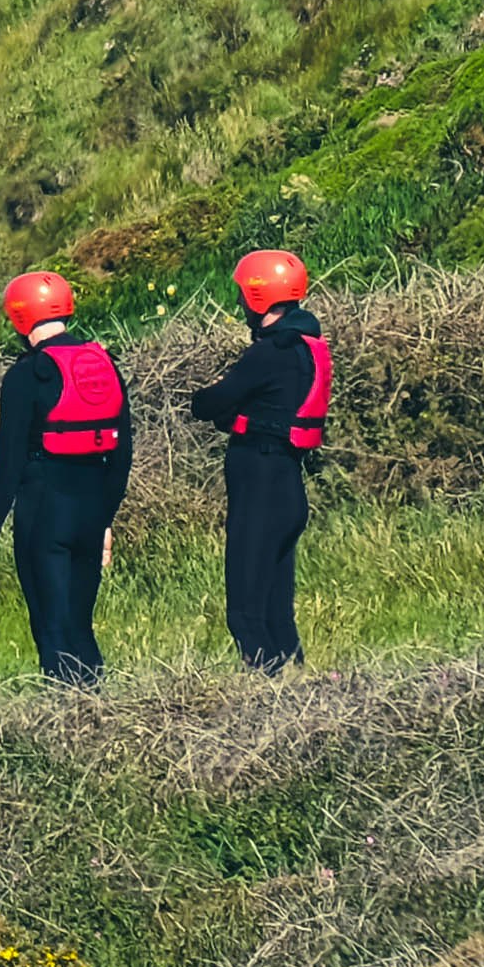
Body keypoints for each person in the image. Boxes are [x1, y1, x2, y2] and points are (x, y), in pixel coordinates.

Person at [0, 267, 133, 686]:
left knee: (52, 627)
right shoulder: (104, 364)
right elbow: (123, 452)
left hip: (45, 509)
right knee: (80, 624)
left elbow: (8, 461)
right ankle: (97, 711)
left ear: (21, 318)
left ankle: (65, 724)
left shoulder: (26, 373)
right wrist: (106, 519)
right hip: (92, 507)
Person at [182, 247, 338, 672]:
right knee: (277, 612)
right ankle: (298, 685)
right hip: (288, 486)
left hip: (260, 485)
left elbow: (212, 401)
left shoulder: (270, 352)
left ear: (257, 297)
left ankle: (266, 694)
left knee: (246, 611)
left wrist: (208, 403)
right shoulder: (308, 345)